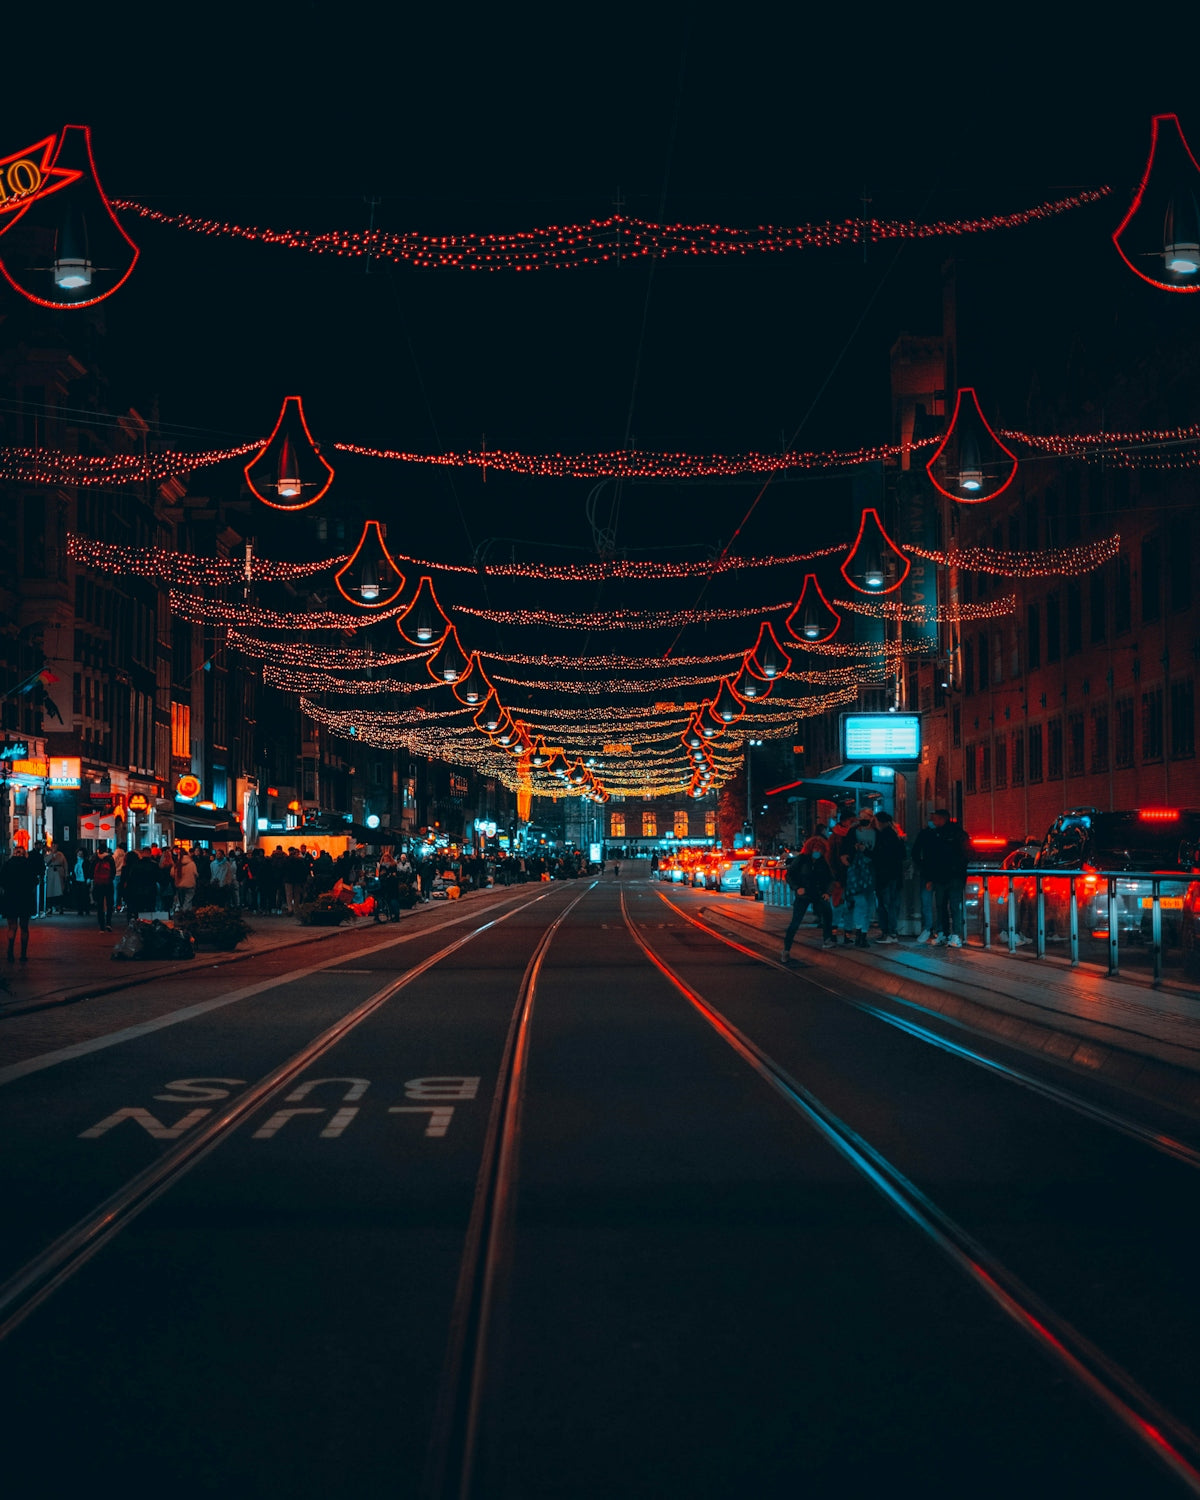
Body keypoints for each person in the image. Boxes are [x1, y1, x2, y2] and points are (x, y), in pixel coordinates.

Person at [781, 825, 833, 961]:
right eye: (816, 849)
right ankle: (786, 949)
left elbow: (829, 879)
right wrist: (797, 887)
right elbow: (789, 875)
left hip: (817, 893)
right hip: (803, 894)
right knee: (795, 922)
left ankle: (827, 938)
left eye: (820, 849)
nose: (817, 851)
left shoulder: (822, 862)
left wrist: (827, 893)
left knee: (827, 912)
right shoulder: (802, 859)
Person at [926, 809, 970, 948]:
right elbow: (966, 854)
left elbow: (932, 858)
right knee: (954, 906)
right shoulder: (959, 834)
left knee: (942, 906)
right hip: (955, 876)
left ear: (942, 819)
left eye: (935, 819)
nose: (933, 822)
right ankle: (954, 935)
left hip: (943, 876)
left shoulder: (936, 835)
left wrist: (930, 878)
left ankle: (944, 933)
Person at [870, 811, 906, 944]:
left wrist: (866, 851)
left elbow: (877, 855)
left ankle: (888, 932)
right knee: (892, 904)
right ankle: (891, 932)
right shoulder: (895, 836)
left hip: (884, 875)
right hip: (894, 875)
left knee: (885, 904)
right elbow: (902, 855)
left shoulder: (882, 836)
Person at [1, 845, 39, 962]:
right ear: (24, 854)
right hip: (25, 899)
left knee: (12, 927)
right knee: (24, 927)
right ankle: (23, 954)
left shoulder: (7, 865)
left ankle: (10, 951)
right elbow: (35, 881)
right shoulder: (29, 865)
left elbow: (2, 881)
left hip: (10, 898)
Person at [844, 815, 877, 947]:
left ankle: (862, 933)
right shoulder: (853, 832)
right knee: (862, 905)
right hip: (858, 874)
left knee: (867, 906)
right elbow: (845, 850)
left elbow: (879, 852)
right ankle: (860, 934)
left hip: (869, 872)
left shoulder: (876, 832)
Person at [911, 816, 939, 943]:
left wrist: (921, 865)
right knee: (936, 903)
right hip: (934, 873)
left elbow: (915, 852)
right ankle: (935, 929)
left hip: (927, 872)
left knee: (927, 902)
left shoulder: (925, 834)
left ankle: (929, 928)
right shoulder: (937, 834)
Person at [120, 849, 160, 922]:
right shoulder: (154, 864)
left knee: (139, 909)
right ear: (150, 854)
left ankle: (139, 923)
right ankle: (149, 924)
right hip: (151, 890)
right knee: (150, 909)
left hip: (138, 890)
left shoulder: (136, 864)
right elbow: (158, 877)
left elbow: (132, 877)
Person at [92, 844, 118, 931]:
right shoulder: (110, 858)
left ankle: (101, 925)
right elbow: (113, 871)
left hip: (98, 884)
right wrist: (111, 878)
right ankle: (108, 923)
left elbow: (91, 870)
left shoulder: (95, 858)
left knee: (100, 904)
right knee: (109, 904)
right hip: (108, 883)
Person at [43, 844, 68, 914]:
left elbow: (65, 864)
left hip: (59, 873)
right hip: (51, 872)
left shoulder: (61, 854)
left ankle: (60, 907)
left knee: (59, 890)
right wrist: (51, 855)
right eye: (53, 846)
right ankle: (50, 907)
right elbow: (46, 861)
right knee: (50, 891)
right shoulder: (48, 854)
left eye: (55, 846)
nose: (54, 847)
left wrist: (66, 874)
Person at [172, 846, 198, 912]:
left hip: (179, 885)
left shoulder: (177, 864)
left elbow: (172, 874)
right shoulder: (191, 863)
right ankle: (186, 913)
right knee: (188, 900)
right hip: (190, 884)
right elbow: (195, 873)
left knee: (181, 901)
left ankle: (182, 912)